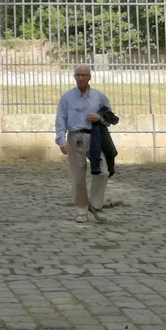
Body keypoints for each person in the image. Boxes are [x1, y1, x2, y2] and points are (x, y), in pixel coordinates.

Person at [55, 65, 114, 222]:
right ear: (74, 77)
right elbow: (60, 120)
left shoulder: (99, 97)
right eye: (78, 75)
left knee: (103, 172)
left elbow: (110, 115)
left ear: (89, 77)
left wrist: (99, 118)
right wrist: (61, 140)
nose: (81, 78)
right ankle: (81, 211)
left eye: (84, 75)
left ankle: (95, 205)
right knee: (78, 178)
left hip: (95, 137)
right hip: (75, 138)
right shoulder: (67, 97)